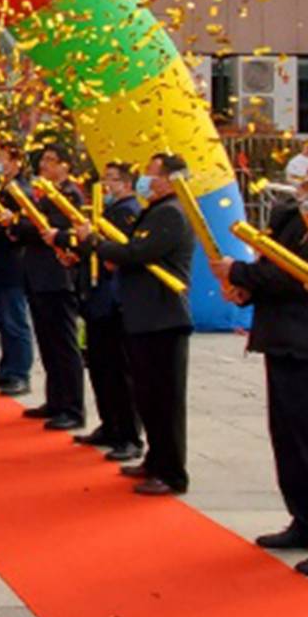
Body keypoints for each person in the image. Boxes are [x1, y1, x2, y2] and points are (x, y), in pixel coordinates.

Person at [213, 134, 308, 578]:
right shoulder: (294, 210)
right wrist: (246, 287)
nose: (300, 158)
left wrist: (241, 272)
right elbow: (273, 267)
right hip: (282, 335)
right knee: (289, 437)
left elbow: (305, 274)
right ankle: (306, 521)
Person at [81, 152, 195, 496]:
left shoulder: (172, 213)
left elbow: (137, 253)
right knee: (147, 396)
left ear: (171, 179)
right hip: (143, 316)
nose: (146, 179)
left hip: (163, 317)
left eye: (152, 173)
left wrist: (96, 243)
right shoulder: (155, 210)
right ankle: (155, 460)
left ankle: (171, 472)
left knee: (165, 400)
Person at [77, 163, 142, 464]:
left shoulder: (129, 212)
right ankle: (110, 424)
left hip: (114, 298)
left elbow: (120, 251)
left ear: (127, 183)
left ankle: (129, 434)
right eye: (105, 179)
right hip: (97, 296)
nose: (106, 185)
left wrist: (94, 242)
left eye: (112, 180)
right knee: (100, 365)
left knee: (119, 369)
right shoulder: (107, 209)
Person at [19, 145, 87, 431]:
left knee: (63, 343)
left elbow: (51, 227)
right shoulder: (45, 192)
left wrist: (22, 225)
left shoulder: (69, 195)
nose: (44, 165)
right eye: (43, 159)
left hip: (58, 276)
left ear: (65, 165)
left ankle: (73, 407)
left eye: (51, 160)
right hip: (38, 274)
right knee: (47, 342)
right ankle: (56, 399)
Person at [0, 147, 34, 397]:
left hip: (12, 264)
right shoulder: (4, 188)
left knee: (14, 320)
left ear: (16, 162)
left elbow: (16, 228)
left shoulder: (21, 191)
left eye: (2, 158)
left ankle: (20, 373)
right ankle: (7, 368)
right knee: (2, 319)